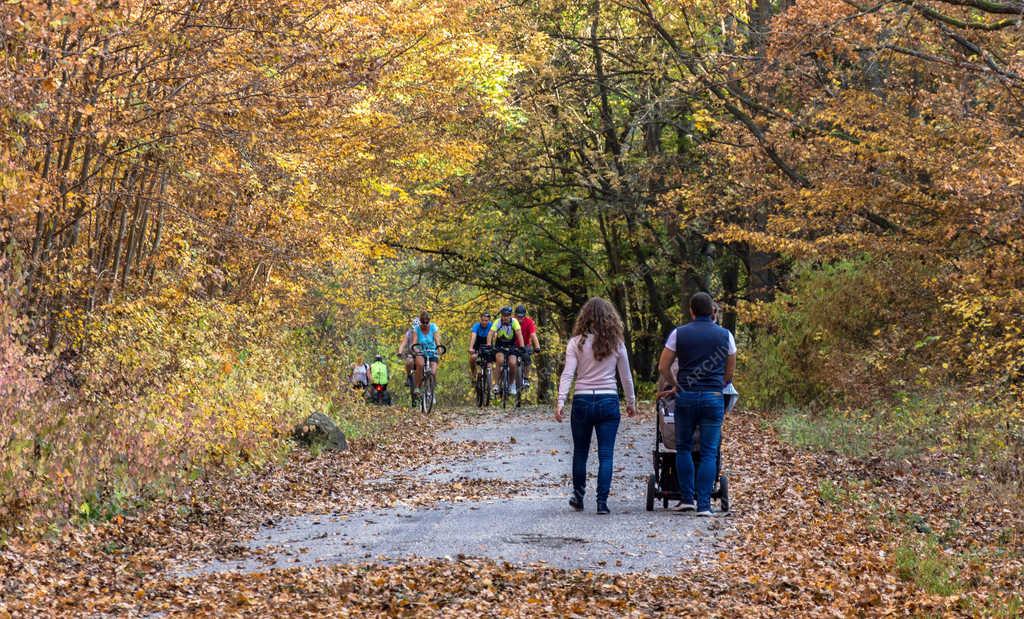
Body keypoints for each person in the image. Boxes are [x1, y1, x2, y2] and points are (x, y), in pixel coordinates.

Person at [555, 297, 637, 515]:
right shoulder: (617, 344)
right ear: (610, 319)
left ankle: (579, 496)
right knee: (606, 454)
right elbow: (626, 377)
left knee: (580, 452)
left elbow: (568, 373)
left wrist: (561, 400)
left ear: (585, 318)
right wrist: (631, 402)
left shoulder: (576, 343)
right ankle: (602, 502)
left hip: (582, 400)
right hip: (608, 401)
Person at [657, 292, 736, 517]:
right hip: (712, 397)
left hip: (687, 397)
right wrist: (718, 384)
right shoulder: (725, 335)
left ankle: (686, 498)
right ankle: (704, 505)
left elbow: (663, 366)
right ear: (712, 311)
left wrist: (676, 384)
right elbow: (730, 370)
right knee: (709, 452)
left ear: (691, 311)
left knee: (683, 448)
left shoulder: (678, 334)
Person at [487, 306, 524, 396]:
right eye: (503, 315)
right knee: (499, 361)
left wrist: (522, 346)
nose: (505, 317)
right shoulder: (498, 322)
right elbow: (490, 334)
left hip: (511, 346)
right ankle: (496, 385)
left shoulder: (514, 322)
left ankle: (512, 384)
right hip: (500, 346)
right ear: (501, 316)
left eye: (507, 315)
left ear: (510, 316)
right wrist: (488, 344)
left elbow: (519, 334)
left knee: (512, 363)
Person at [412, 311, 442, 395]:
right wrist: (415, 349)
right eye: (423, 322)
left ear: (429, 321)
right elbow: (414, 342)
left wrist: (439, 349)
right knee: (420, 365)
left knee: (433, 372)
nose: (425, 324)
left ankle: (432, 390)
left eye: (427, 322)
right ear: (420, 321)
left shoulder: (433, 327)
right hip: (421, 351)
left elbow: (437, 339)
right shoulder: (416, 329)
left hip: (432, 351)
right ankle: (417, 387)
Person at [514, 305, 541, 387]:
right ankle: (508, 379)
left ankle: (525, 378)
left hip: (525, 345)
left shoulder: (529, 322)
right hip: (513, 345)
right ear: (515, 315)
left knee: (527, 358)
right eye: (518, 316)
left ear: (524, 316)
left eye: (522, 317)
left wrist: (537, 347)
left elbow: (533, 335)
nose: (520, 319)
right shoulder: (512, 321)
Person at [467, 311, 492, 379]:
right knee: (472, 358)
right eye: (482, 320)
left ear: (489, 320)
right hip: (478, 345)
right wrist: (471, 347)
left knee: (489, 363)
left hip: (488, 344)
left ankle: (489, 379)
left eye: (486, 320)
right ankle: (474, 374)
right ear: (480, 319)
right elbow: (473, 336)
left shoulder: (491, 325)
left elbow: (494, 335)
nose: (484, 322)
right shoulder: (476, 325)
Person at [398, 318, 419, 386]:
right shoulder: (409, 333)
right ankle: (409, 376)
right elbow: (403, 343)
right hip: (411, 352)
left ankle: (430, 378)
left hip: (421, 352)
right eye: (414, 329)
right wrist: (400, 352)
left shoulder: (424, 333)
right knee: (409, 361)